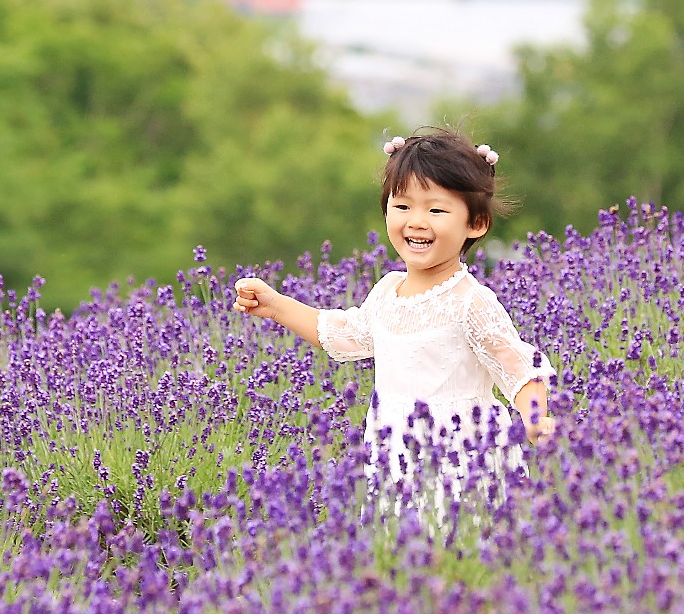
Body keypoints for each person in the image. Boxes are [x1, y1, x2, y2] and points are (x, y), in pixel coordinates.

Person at [234, 128, 555, 502]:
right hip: (395, 453)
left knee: (458, 543)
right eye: (402, 206)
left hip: (464, 458)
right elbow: (345, 333)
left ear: (476, 223)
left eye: (436, 209)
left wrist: (535, 420)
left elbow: (518, 368)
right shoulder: (387, 291)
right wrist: (277, 306)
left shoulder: (471, 301)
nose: (416, 221)